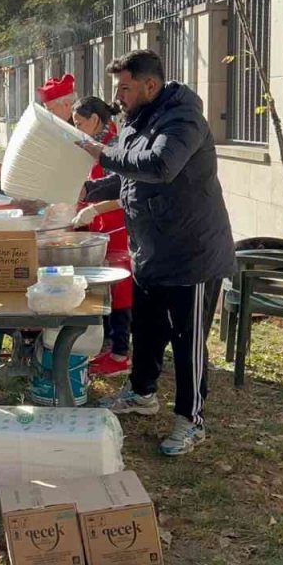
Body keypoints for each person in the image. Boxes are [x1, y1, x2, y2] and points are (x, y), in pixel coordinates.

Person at [79, 50, 235, 456]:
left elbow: (160, 165)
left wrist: (101, 153)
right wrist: (90, 193)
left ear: (151, 85)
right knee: (145, 331)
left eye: (126, 88)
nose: (119, 96)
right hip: (150, 249)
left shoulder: (182, 119)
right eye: (118, 88)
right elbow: (129, 176)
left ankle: (191, 419)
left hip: (191, 252)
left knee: (188, 340)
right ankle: (142, 393)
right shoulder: (139, 121)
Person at [70, 96, 134, 376]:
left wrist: (94, 209)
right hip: (102, 227)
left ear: (95, 120)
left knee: (122, 292)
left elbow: (125, 193)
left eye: (80, 123)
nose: (78, 128)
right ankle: (110, 345)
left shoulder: (114, 146)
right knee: (109, 291)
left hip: (118, 228)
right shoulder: (98, 143)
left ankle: (121, 354)